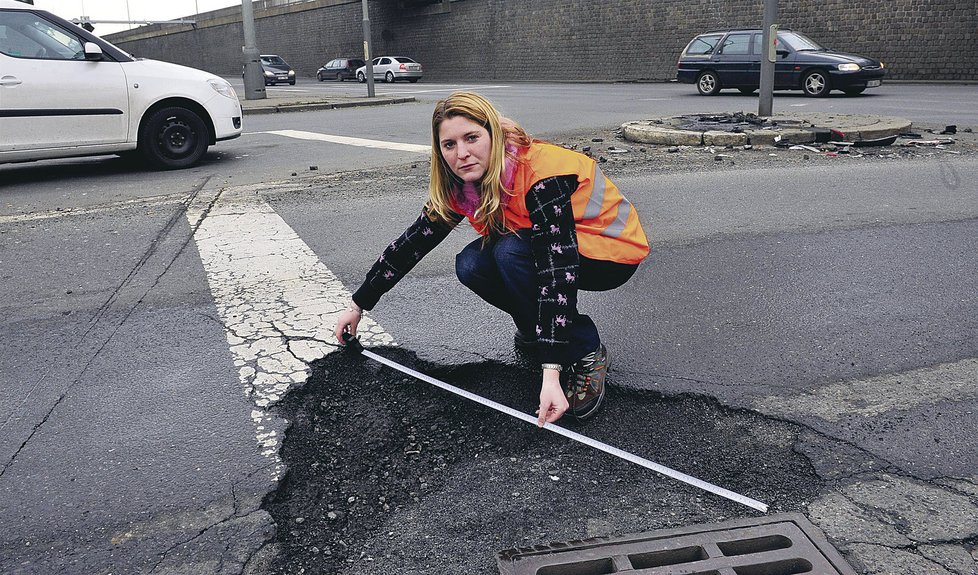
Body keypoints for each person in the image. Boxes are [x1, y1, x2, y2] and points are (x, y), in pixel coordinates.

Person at [334, 91, 649, 426]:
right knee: (471, 265)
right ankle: (537, 329)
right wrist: (358, 304)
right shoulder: (464, 185)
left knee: (509, 252)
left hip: (610, 253)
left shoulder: (542, 176)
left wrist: (551, 371)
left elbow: (557, 273)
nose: (462, 153)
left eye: (472, 138)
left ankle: (585, 351)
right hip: (548, 249)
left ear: (493, 135)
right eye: (449, 145)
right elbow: (414, 242)